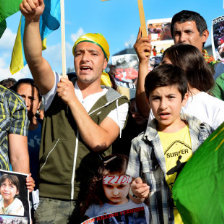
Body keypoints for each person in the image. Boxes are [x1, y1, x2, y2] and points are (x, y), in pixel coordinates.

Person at [20, 0, 129, 223]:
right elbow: (35, 59)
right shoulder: (57, 87)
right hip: (52, 200)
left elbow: (99, 141)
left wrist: (72, 100)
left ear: (105, 62)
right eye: (79, 53)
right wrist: (33, 21)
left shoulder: (117, 102)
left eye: (93, 53)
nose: (85, 58)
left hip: (96, 199)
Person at [126, 64, 213, 224]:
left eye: (171, 97)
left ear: (184, 97)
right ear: (148, 100)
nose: (163, 105)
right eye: (156, 98)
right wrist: (136, 192)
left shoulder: (205, 133)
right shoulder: (140, 144)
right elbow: (132, 194)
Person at [82, 154, 149, 223]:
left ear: (131, 184)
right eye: (109, 186)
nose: (115, 192)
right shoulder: (94, 209)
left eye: (121, 186)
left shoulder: (140, 207)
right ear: (101, 185)